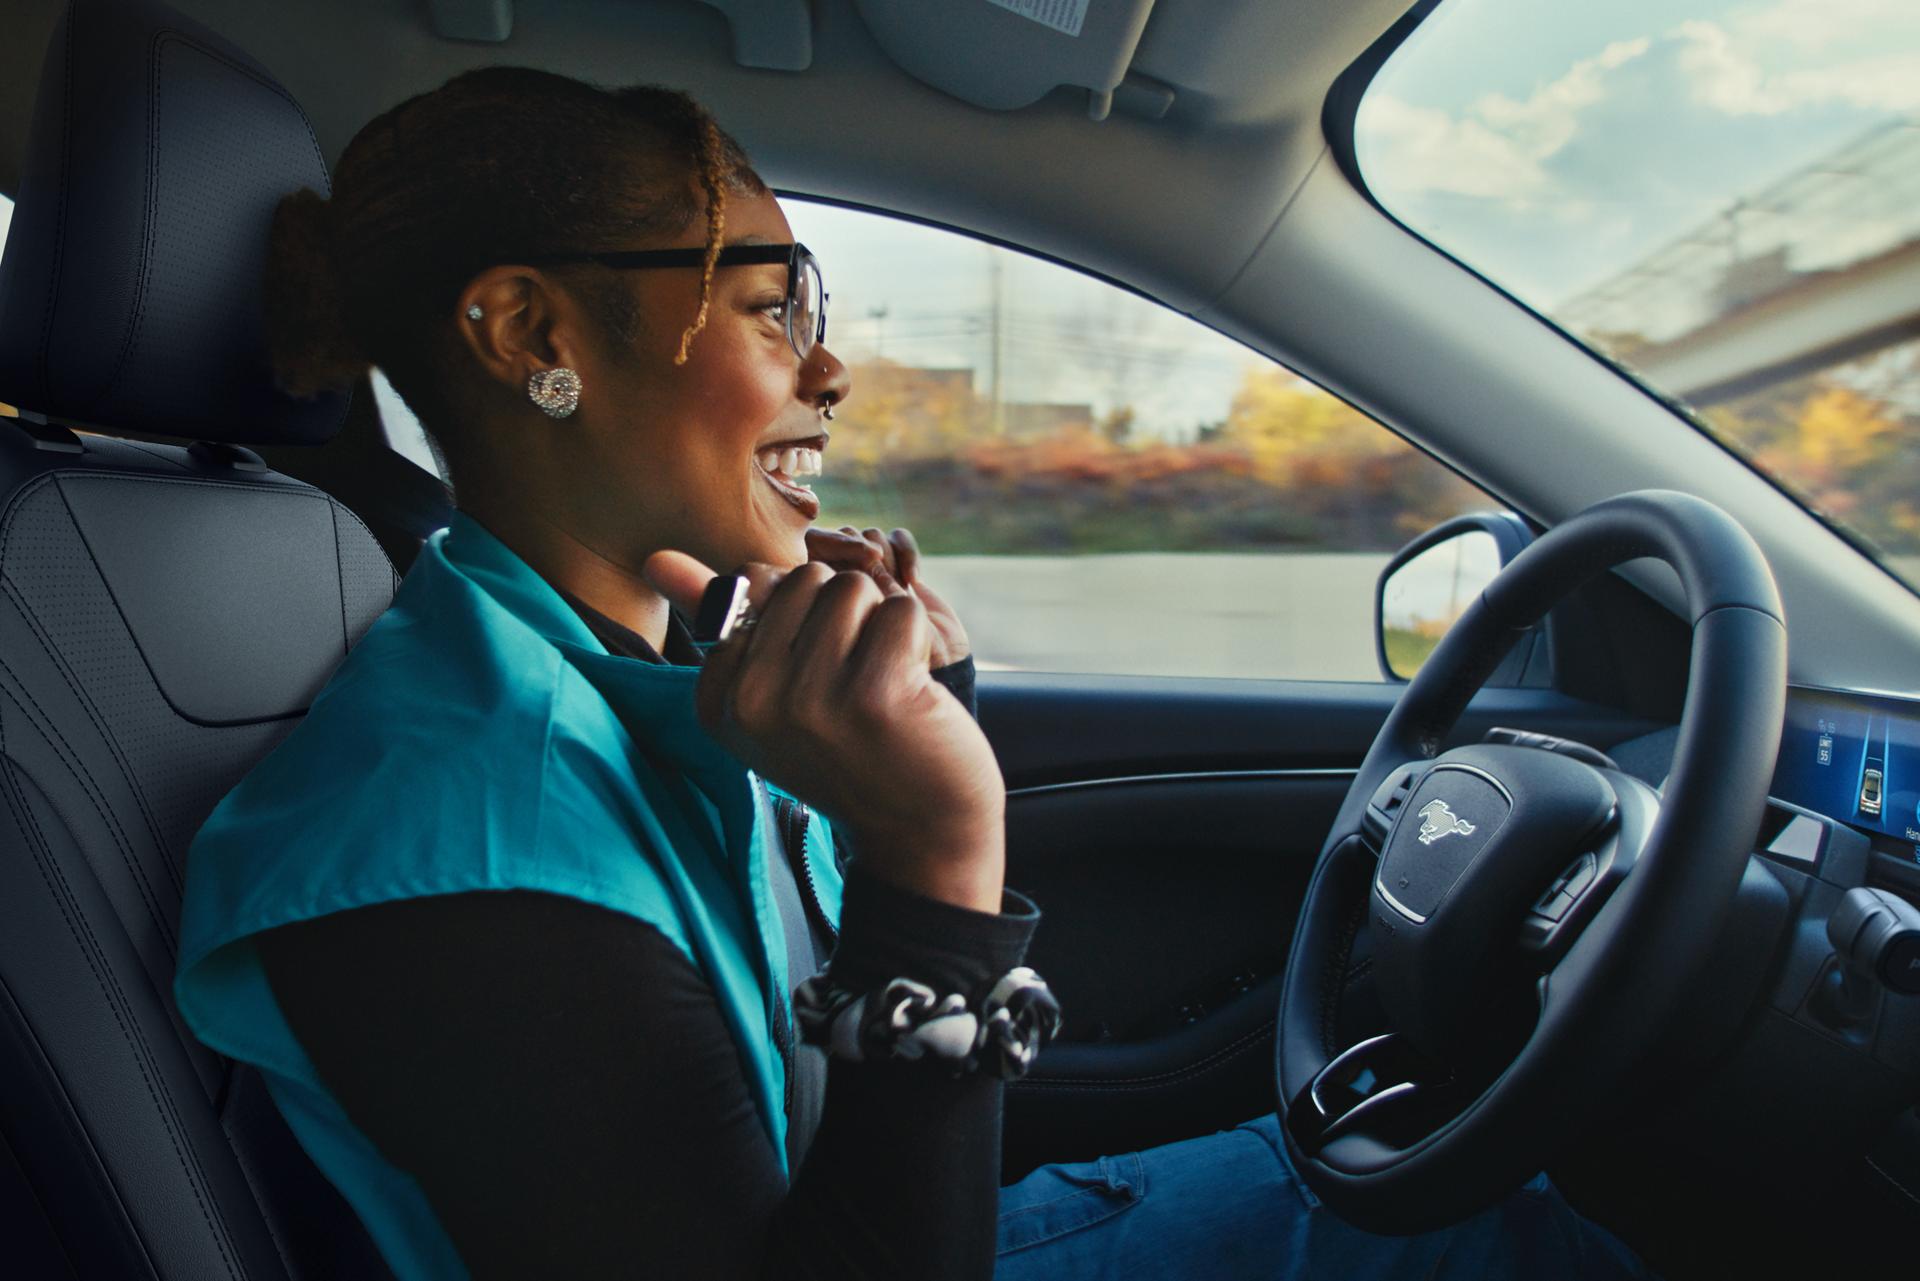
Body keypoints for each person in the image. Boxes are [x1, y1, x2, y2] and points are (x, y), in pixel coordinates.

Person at [174, 67, 1651, 1281]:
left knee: (1431, 1179)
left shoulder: (595, 658)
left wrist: (922, 718)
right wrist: (935, 855)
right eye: (772, 310)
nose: (830, 372)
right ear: (533, 334)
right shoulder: (450, 841)